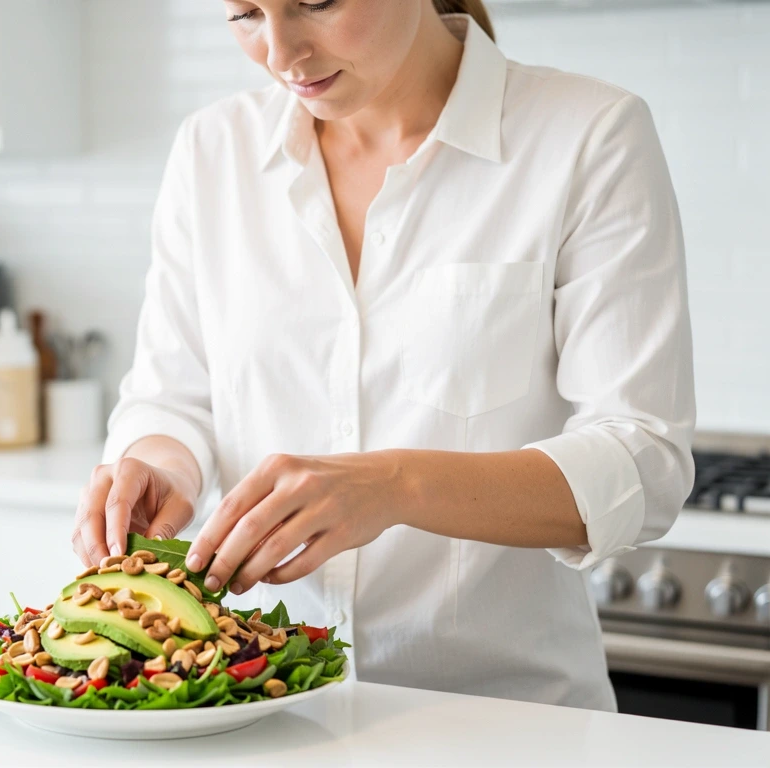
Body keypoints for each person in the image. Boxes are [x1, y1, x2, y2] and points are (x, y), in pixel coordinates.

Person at [71, 0, 694, 710]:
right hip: (266, 718)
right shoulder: (213, 150)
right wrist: (158, 465)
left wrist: (397, 486)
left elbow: (644, 464)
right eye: (245, 13)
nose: (281, 53)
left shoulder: (587, 135)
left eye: (317, 3)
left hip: (507, 729)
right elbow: (172, 393)